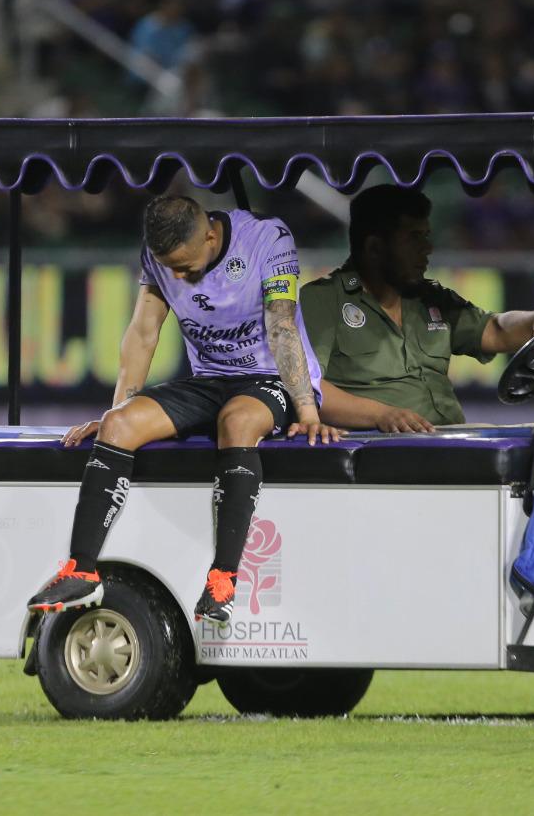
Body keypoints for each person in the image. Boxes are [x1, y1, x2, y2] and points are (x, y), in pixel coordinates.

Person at [28, 194, 338, 623]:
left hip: (272, 379)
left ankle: (223, 579)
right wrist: (118, 407)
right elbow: (143, 332)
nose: (178, 276)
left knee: (237, 420)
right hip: (209, 381)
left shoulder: (267, 238)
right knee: (117, 425)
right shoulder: (159, 255)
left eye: (185, 267)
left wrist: (308, 412)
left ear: (210, 236)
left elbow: (282, 325)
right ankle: (81, 570)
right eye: (169, 267)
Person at [300, 185, 534, 430]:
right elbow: (304, 386)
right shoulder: (323, 300)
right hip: (380, 446)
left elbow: (495, 330)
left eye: (426, 236)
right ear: (374, 247)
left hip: (449, 437)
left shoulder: (431, 297)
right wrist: (381, 415)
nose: (428, 248)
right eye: (414, 238)